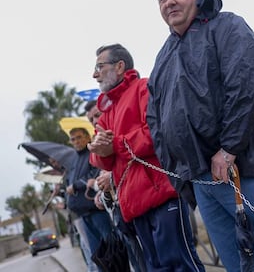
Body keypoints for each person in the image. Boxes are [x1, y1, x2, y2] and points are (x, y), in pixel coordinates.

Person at [147, 0, 254, 271]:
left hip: (241, 168)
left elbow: (246, 88)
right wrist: (179, 175)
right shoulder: (164, 55)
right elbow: (156, 120)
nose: (170, 2)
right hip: (200, 180)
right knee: (235, 265)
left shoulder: (227, 27)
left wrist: (228, 149)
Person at [88, 43, 205, 271]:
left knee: (180, 265)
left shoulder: (144, 88)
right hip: (133, 204)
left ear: (120, 66)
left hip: (162, 194)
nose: (95, 74)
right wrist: (99, 150)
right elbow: (100, 158)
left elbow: (157, 132)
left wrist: (115, 145)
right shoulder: (107, 111)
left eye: (99, 67)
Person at [85, 99, 147, 272]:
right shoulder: (97, 142)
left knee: (149, 259)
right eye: (91, 120)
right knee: (135, 259)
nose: (95, 121)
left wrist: (112, 177)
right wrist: (101, 192)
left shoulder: (120, 131)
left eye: (97, 115)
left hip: (139, 203)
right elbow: (104, 173)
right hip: (119, 210)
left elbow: (135, 162)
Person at [65, 127, 112, 272]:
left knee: (110, 248)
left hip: (96, 210)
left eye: (79, 137)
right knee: (97, 254)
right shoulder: (74, 160)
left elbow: (95, 173)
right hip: (83, 214)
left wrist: (77, 185)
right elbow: (70, 180)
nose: (76, 141)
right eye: (73, 139)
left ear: (87, 137)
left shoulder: (92, 153)